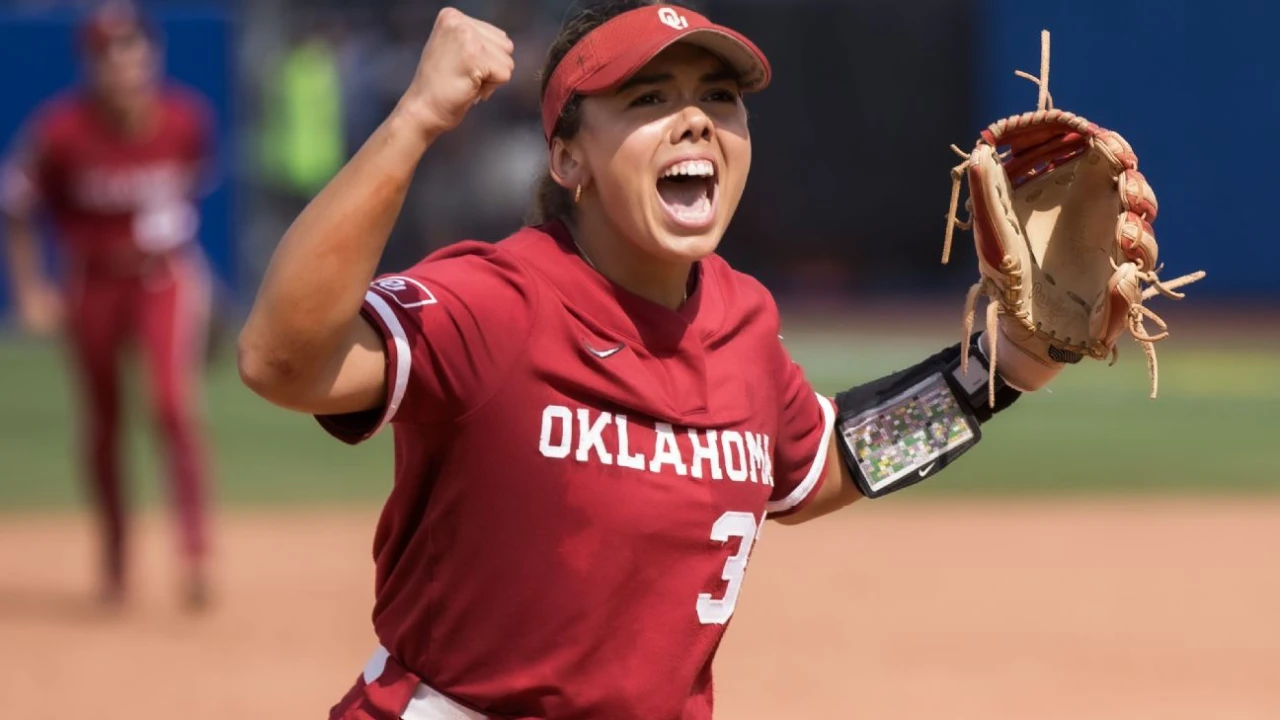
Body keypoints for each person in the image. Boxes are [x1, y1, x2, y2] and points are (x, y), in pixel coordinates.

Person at [237, 2, 1057, 717]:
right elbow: (281, 362)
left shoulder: (742, 319)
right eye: (649, 98)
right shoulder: (497, 302)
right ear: (568, 160)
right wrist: (415, 118)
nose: (696, 119)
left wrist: (1002, 370)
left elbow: (825, 461)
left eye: (719, 98)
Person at [1, 1, 217, 609]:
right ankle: (116, 557)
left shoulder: (184, 120)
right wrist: (28, 288)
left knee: (173, 407)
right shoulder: (61, 131)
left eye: (134, 53)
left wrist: (195, 270)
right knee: (104, 423)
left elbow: (190, 193)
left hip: (161, 279)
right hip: (91, 285)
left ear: (152, 56)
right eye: (109, 56)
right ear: (90, 65)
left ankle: (195, 551)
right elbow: (15, 204)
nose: (124, 68)